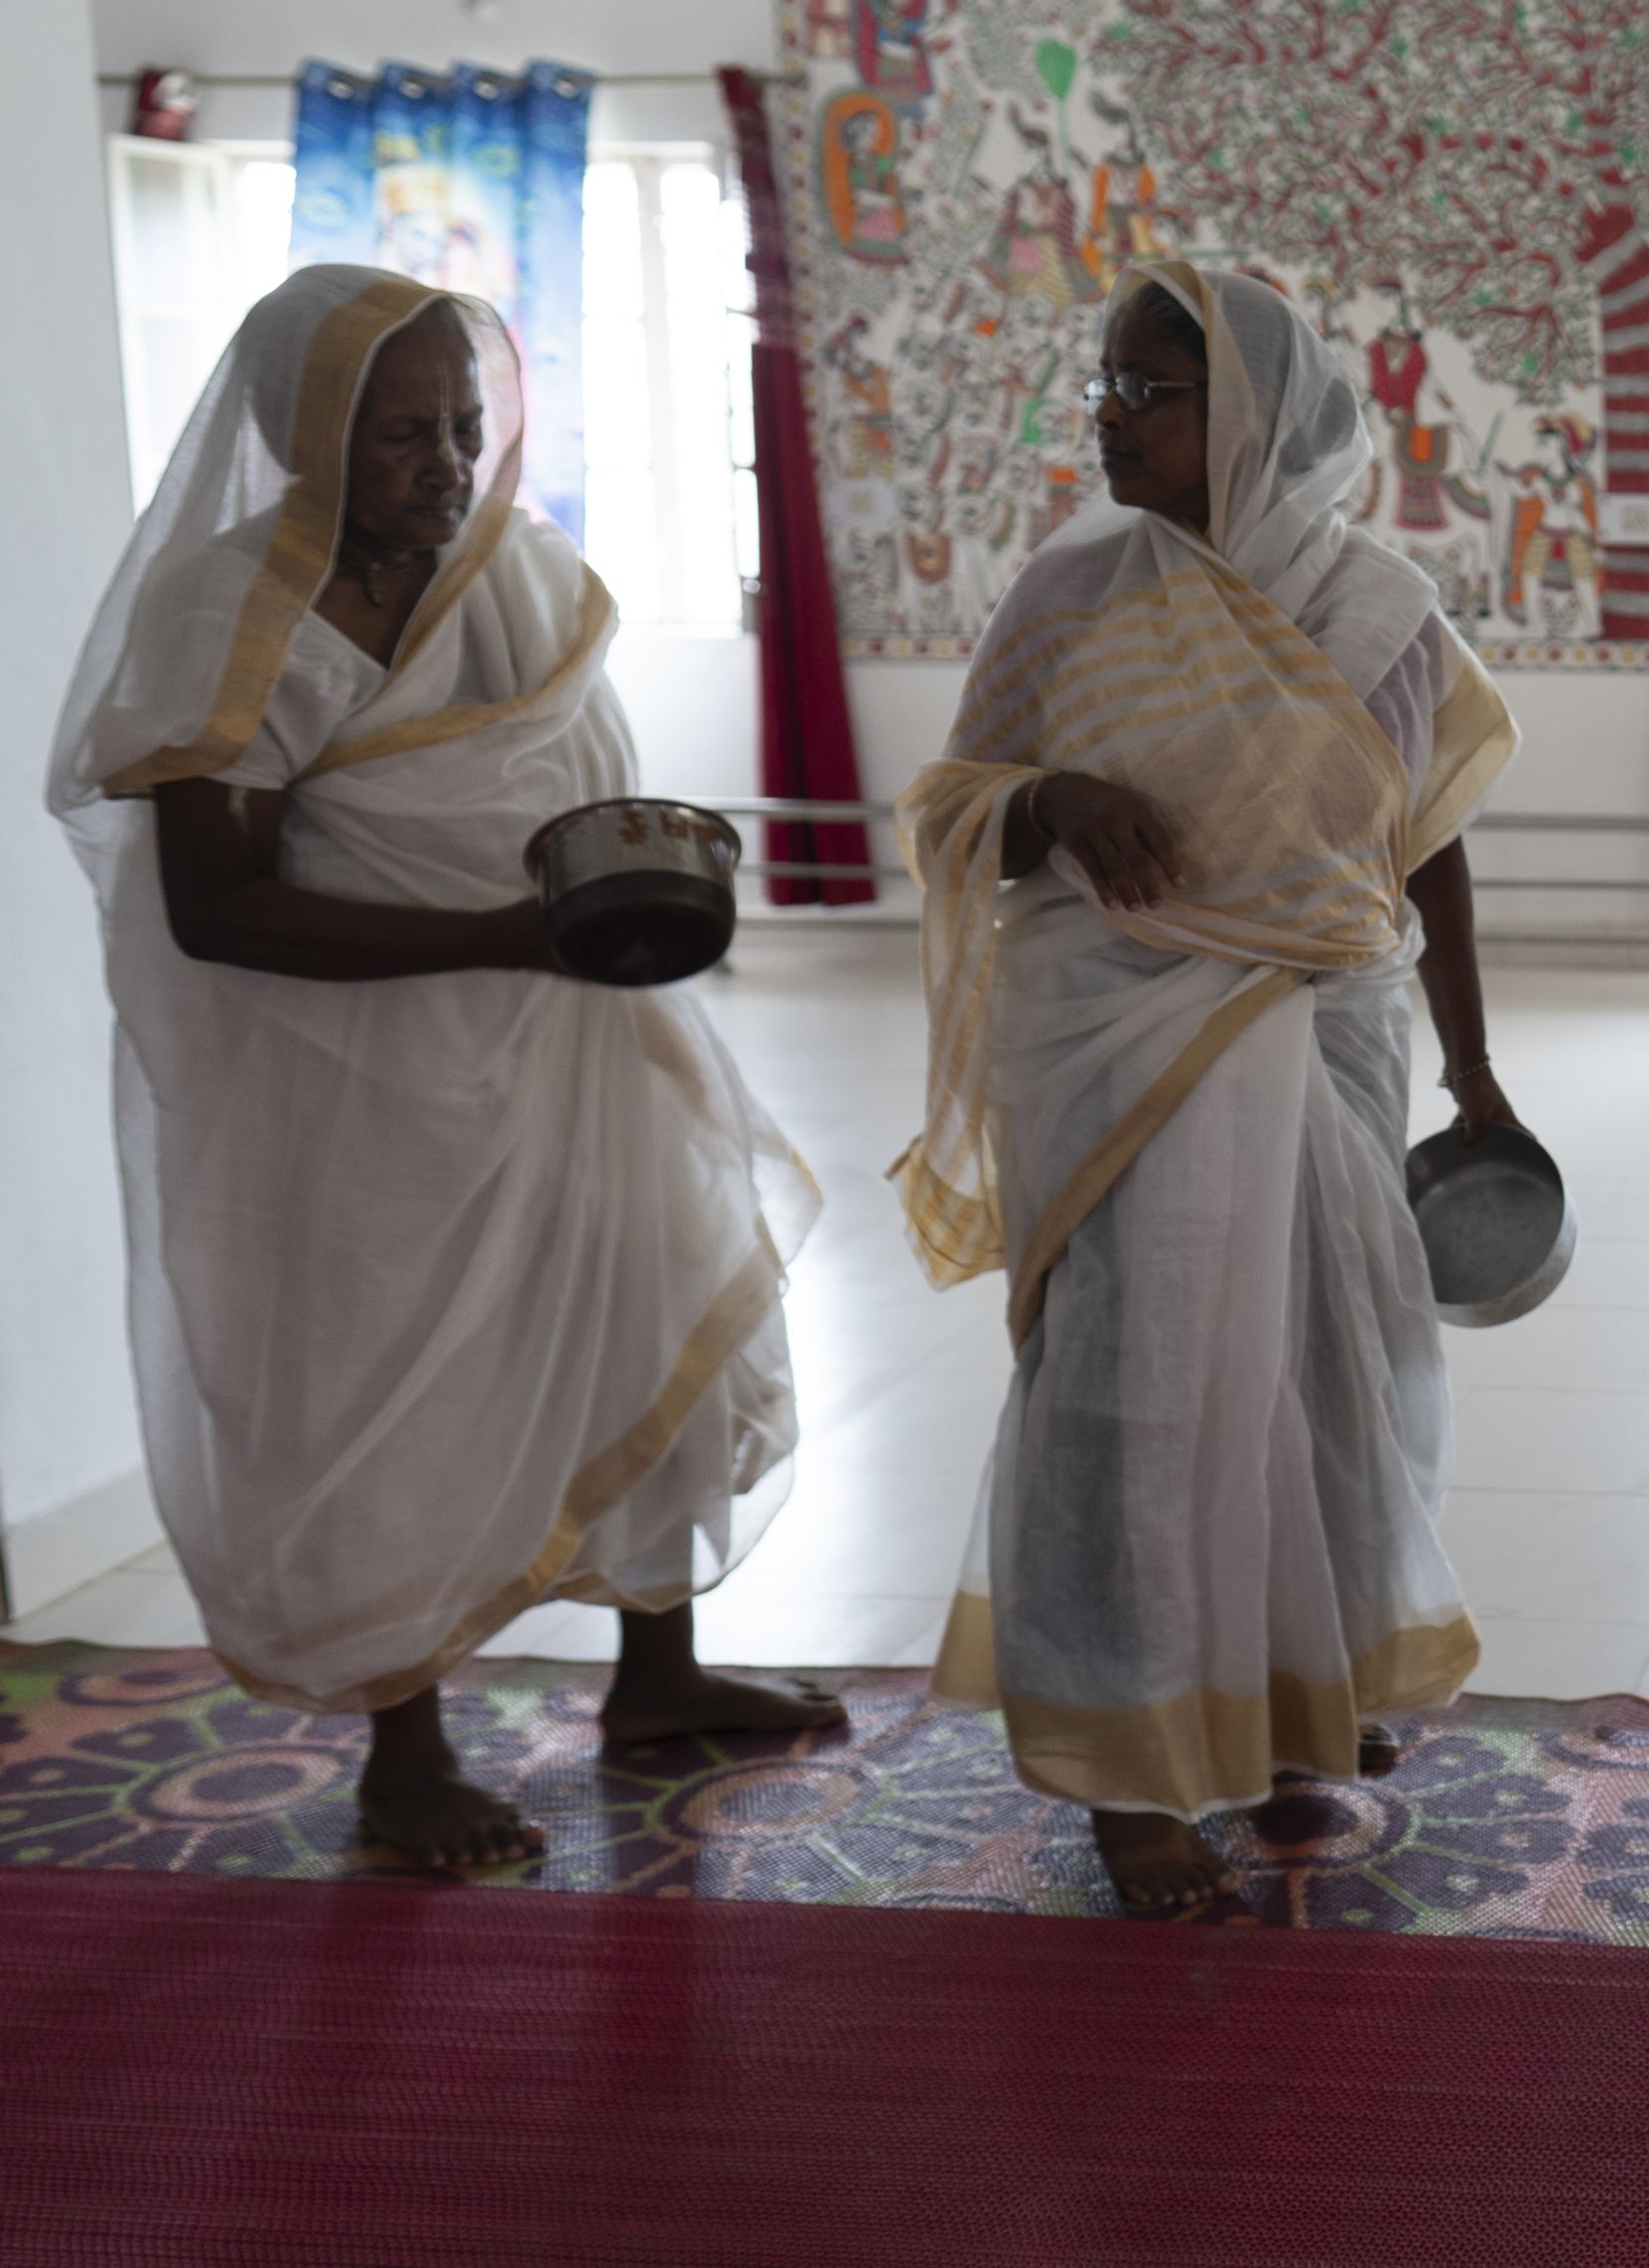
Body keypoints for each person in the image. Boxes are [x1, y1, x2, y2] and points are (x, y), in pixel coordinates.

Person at [47, 266, 831, 1872]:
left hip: (570, 1036)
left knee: (642, 1306)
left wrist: (622, 889)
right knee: (390, 1383)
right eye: (403, 433)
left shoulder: (518, 576)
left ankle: (658, 1679)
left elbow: (574, 792)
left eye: (465, 426)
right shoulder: (224, 616)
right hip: (359, 1083)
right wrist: (499, 938)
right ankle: (408, 1756)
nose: (448, 464)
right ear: (302, 433)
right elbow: (217, 909)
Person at [892, 261, 1520, 1919]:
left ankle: (1298, 1691)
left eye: (1150, 391)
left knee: (1331, 1362)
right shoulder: (1076, 590)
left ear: (1244, 412)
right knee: (1141, 1375)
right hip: (1123, 1031)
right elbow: (964, 796)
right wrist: (1061, 802)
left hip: (1330, 1027)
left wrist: (1475, 1068)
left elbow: (1430, 852)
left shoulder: (1384, 610)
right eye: (1103, 387)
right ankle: (1129, 1764)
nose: (1113, 419)